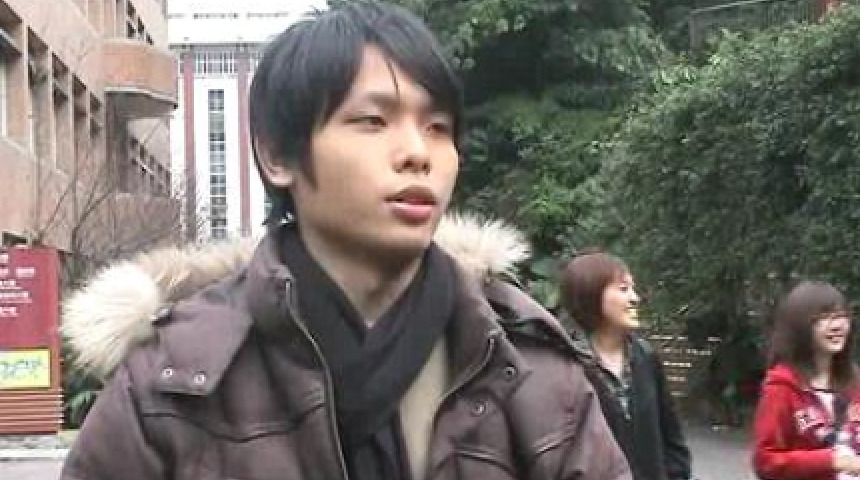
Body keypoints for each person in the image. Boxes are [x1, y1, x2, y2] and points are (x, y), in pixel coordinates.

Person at [59, 2, 630, 479]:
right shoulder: (174, 381)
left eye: (438, 128)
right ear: (278, 155)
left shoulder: (524, 367)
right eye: (373, 121)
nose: (418, 153)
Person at [559, 252, 692, 480]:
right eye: (623, 289)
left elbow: (672, 439)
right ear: (591, 295)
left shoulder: (646, 358)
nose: (634, 298)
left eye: (633, 289)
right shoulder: (567, 364)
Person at [753, 281, 860, 480]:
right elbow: (765, 461)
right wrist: (831, 461)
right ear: (800, 328)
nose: (837, 326)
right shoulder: (782, 388)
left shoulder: (855, 382)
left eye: (841, 316)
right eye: (824, 318)